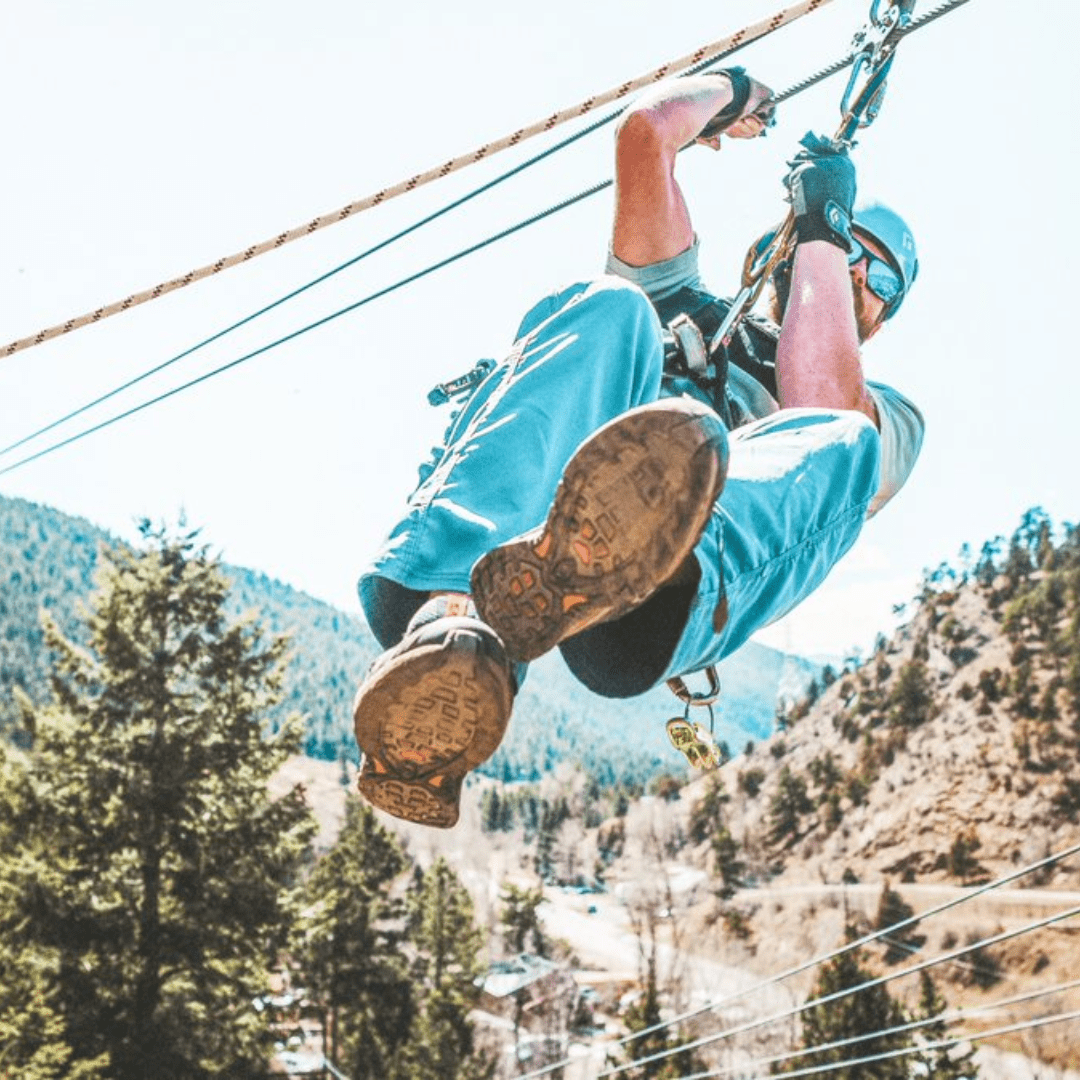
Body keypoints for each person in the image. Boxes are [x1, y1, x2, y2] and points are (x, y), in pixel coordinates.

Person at [352, 68, 924, 828]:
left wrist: (824, 228)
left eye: (877, 271)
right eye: (852, 246)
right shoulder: (678, 304)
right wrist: (732, 92)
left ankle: (647, 557)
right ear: (775, 250)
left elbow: (820, 401)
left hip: (668, 601)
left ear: (883, 315)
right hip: (530, 519)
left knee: (841, 442)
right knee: (609, 304)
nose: (856, 266)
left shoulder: (886, 418)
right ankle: (453, 626)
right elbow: (645, 135)